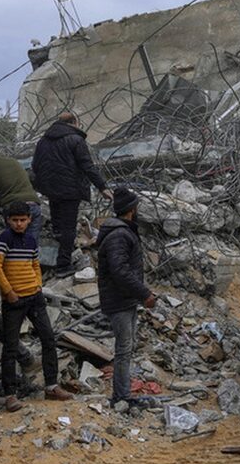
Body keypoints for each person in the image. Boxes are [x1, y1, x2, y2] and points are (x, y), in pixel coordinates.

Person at [0, 200, 71, 411]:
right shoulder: (4, 239)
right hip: (14, 301)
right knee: (10, 347)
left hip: (34, 297)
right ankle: (10, 395)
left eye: (22, 220)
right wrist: (8, 291)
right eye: (15, 220)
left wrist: (37, 285)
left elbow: (35, 264)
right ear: (8, 220)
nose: (19, 224)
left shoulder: (31, 240)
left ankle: (51, 386)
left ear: (29, 220)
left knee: (48, 338)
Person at [96, 187, 158, 406]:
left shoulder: (122, 231)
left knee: (127, 347)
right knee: (123, 349)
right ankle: (121, 396)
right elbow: (120, 270)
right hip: (119, 300)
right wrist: (144, 293)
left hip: (124, 299)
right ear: (132, 209)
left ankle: (123, 394)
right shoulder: (120, 235)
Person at [32, 111, 111, 279]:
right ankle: (63, 265)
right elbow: (87, 166)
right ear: (74, 123)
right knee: (68, 228)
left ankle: (58, 246)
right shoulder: (76, 140)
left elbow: (35, 165)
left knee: (58, 224)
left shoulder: (43, 141)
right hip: (70, 190)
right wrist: (102, 187)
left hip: (50, 188)